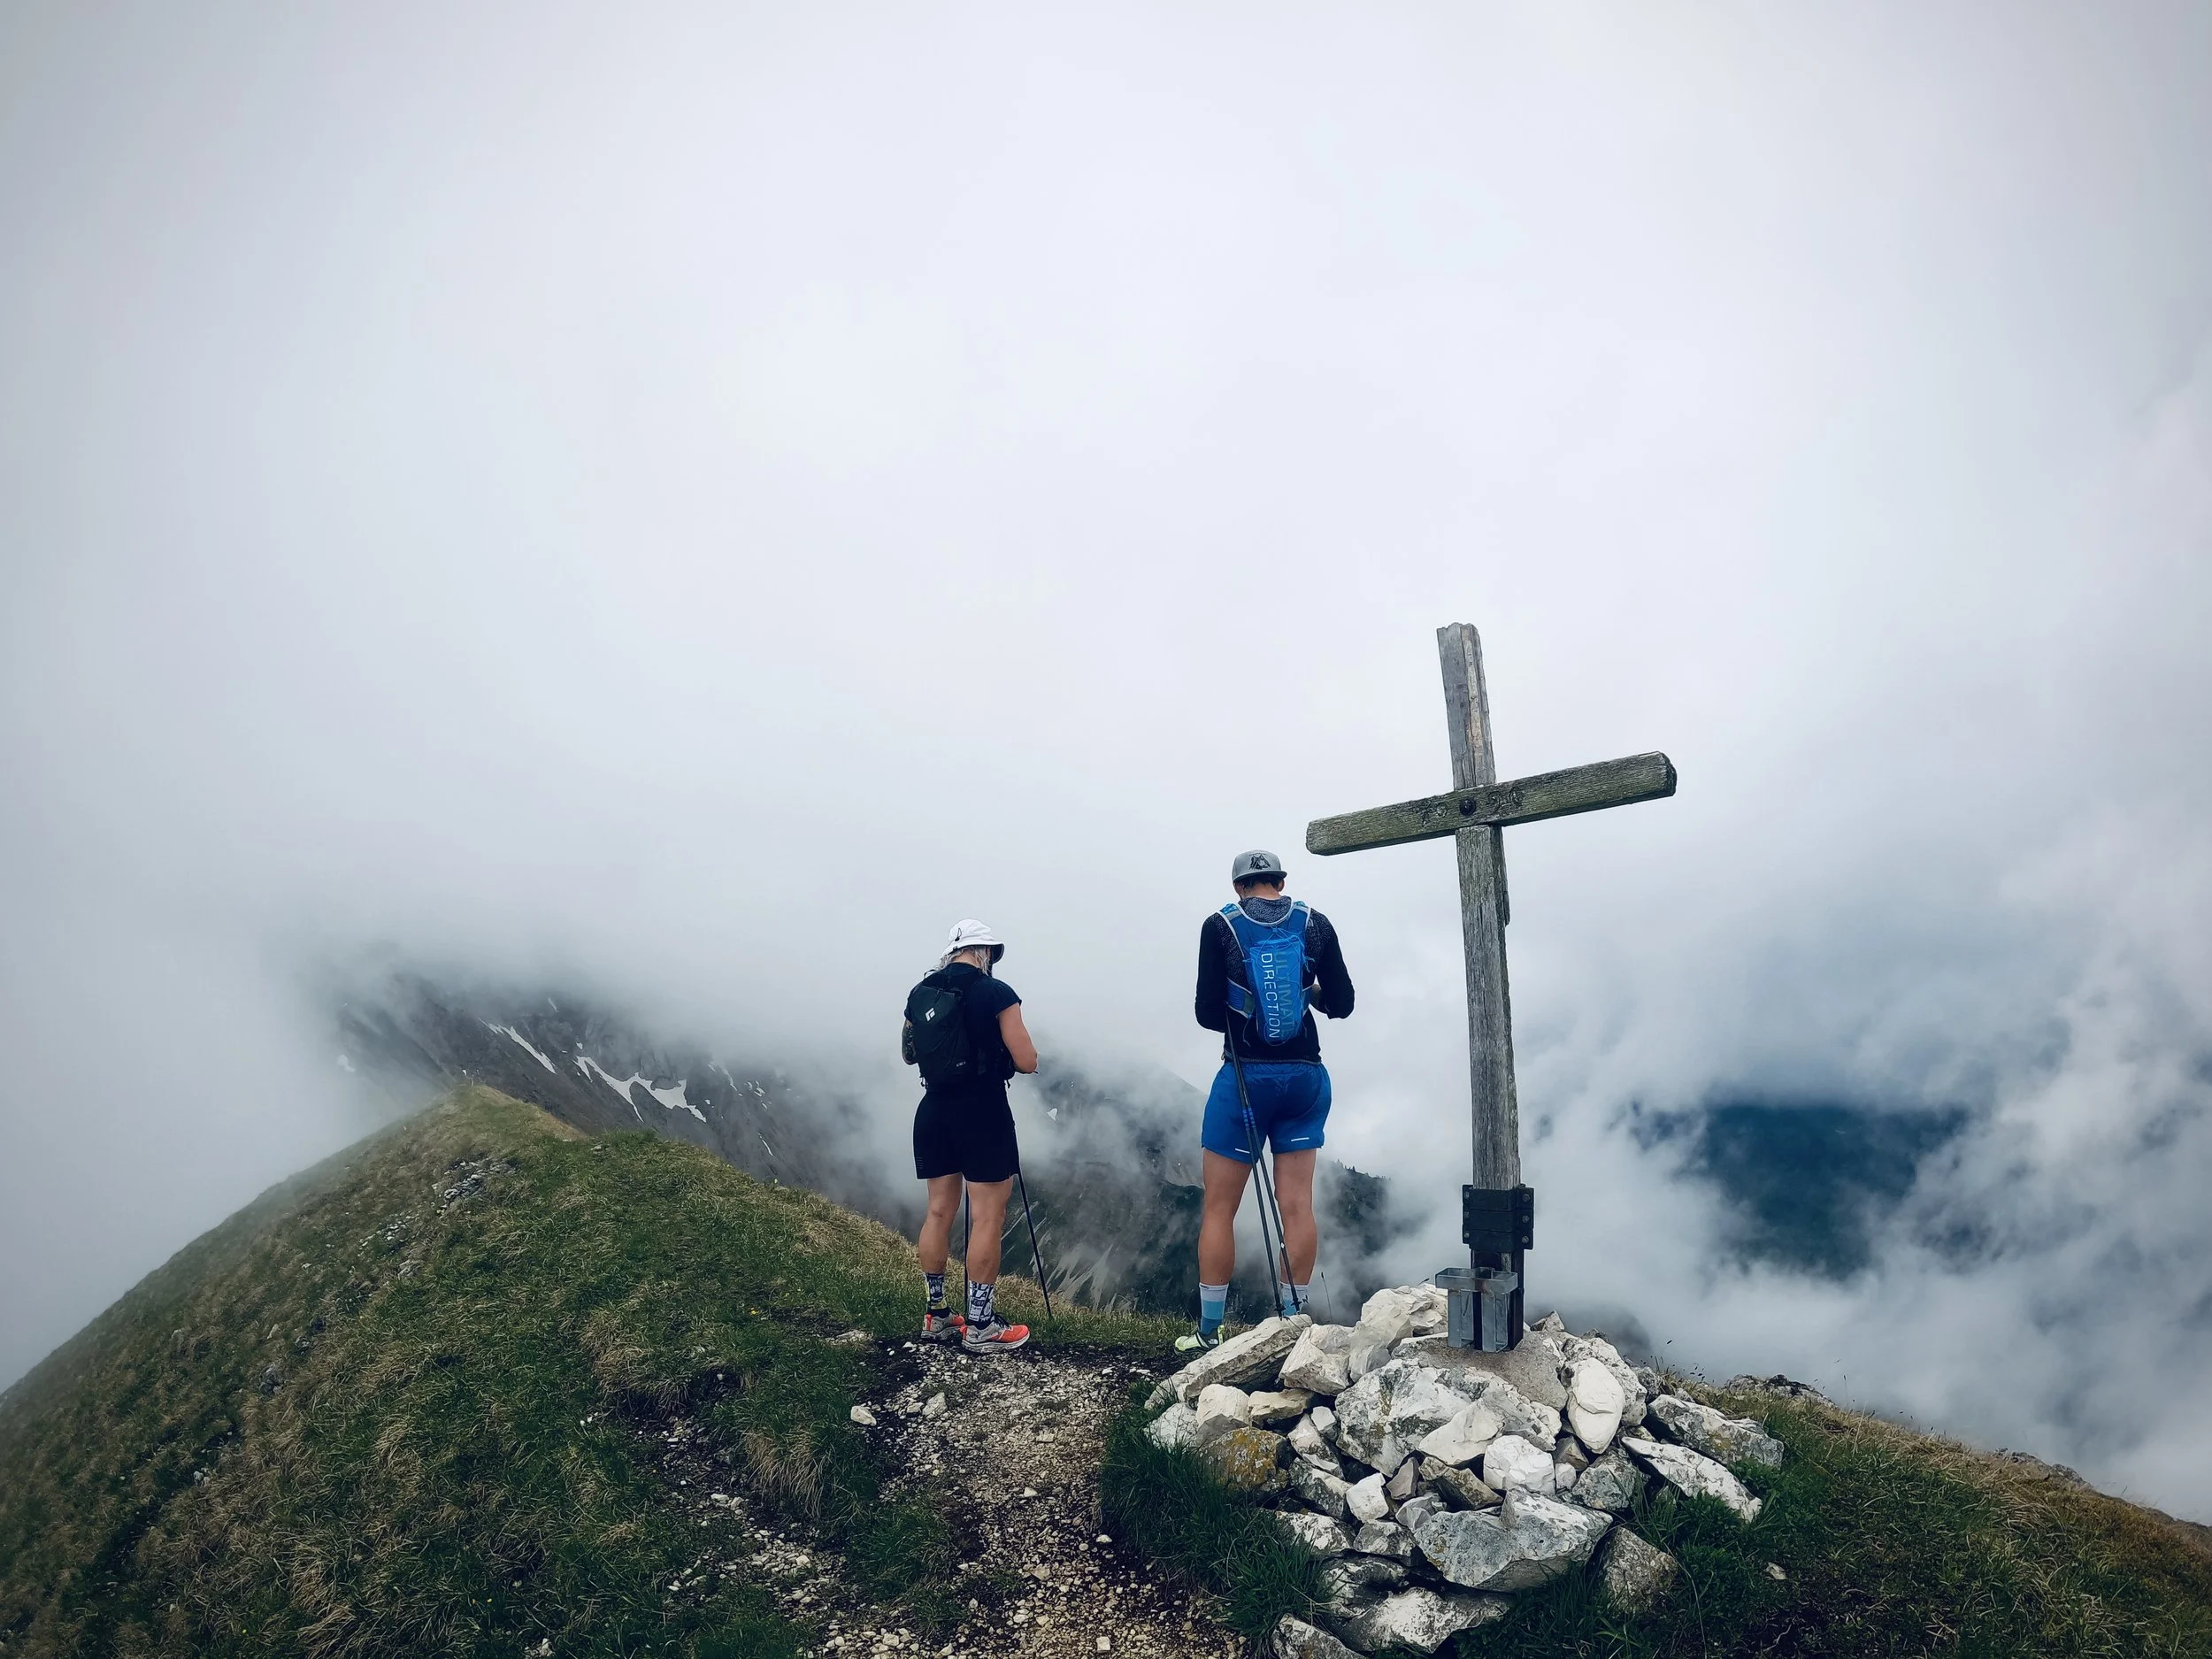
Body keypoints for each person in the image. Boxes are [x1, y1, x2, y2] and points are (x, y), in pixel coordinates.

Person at [1180, 849, 1355, 1352]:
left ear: (1239, 887)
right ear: (1281, 881)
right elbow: (1341, 1004)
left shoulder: (1219, 926)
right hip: (1306, 1077)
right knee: (1297, 1205)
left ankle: (1208, 1333)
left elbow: (1207, 1012)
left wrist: (1247, 1011)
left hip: (1244, 1078)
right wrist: (1310, 994)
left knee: (1219, 1209)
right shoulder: (1315, 923)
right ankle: (1294, 1322)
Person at [902, 918, 1039, 1355]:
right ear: (984, 953)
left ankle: (936, 1315)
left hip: (933, 1110)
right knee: (987, 1217)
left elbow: (909, 1054)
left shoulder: (921, 993)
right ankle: (980, 1326)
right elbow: (1027, 1060)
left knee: (938, 1211)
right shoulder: (997, 994)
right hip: (982, 1111)